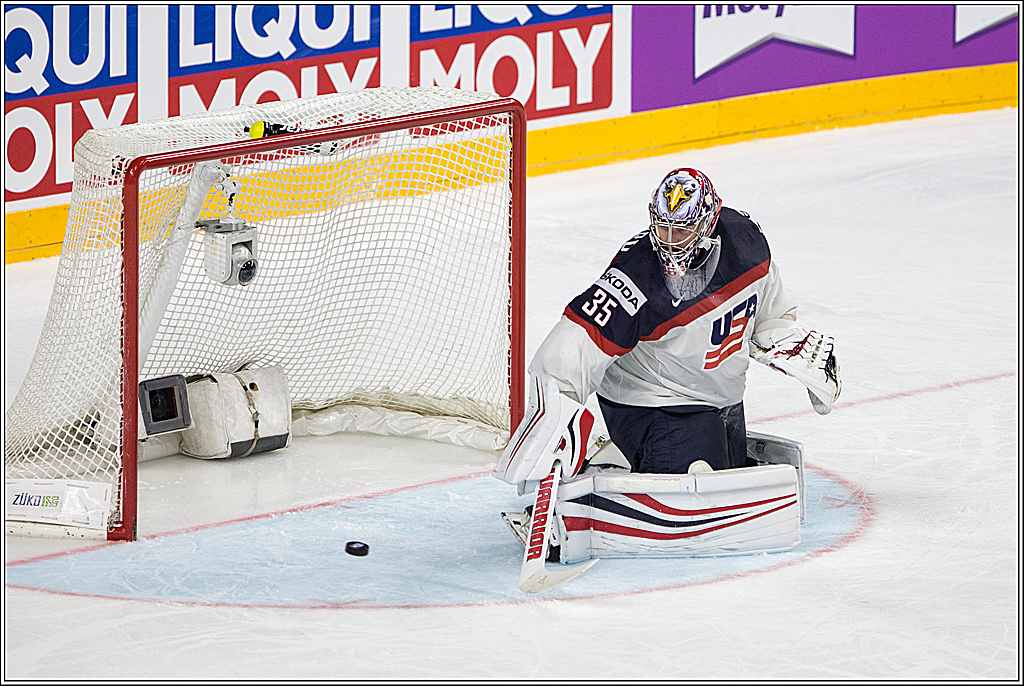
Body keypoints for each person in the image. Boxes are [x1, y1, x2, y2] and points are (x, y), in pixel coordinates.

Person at [520, 167, 841, 476]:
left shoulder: (745, 242)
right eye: (663, 227)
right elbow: (569, 350)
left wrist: (787, 341)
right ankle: (618, 457)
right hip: (653, 403)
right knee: (700, 495)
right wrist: (558, 423)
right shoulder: (636, 277)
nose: (671, 240)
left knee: (732, 484)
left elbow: (768, 306)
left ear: (708, 223)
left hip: (723, 400)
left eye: (683, 229)